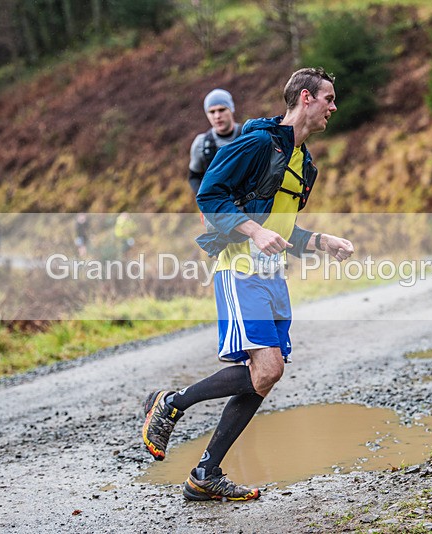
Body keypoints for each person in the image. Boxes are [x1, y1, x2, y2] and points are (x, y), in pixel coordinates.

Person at [142, 67, 354, 502]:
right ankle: (171, 403)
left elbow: (280, 229)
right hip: (239, 268)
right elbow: (211, 196)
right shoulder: (258, 142)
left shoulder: (304, 163)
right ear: (306, 99)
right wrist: (253, 232)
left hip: (271, 273)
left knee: (263, 377)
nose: (334, 107)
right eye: (329, 98)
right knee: (269, 367)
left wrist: (318, 240)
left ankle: (204, 474)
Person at [188, 88, 243, 195]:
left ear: (231, 109)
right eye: (212, 112)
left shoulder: (249, 136)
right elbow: (194, 177)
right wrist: (206, 200)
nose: (217, 116)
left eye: (221, 110)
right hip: (217, 208)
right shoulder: (201, 144)